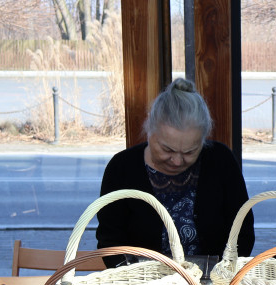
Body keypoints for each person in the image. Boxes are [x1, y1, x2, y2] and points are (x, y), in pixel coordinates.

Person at [96, 77, 254, 266]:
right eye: (167, 150)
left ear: (203, 140)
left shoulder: (220, 160)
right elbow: (110, 241)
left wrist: (222, 274)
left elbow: (242, 233)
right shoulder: (122, 168)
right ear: (149, 130)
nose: (177, 161)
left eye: (190, 151)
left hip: (215, 282)